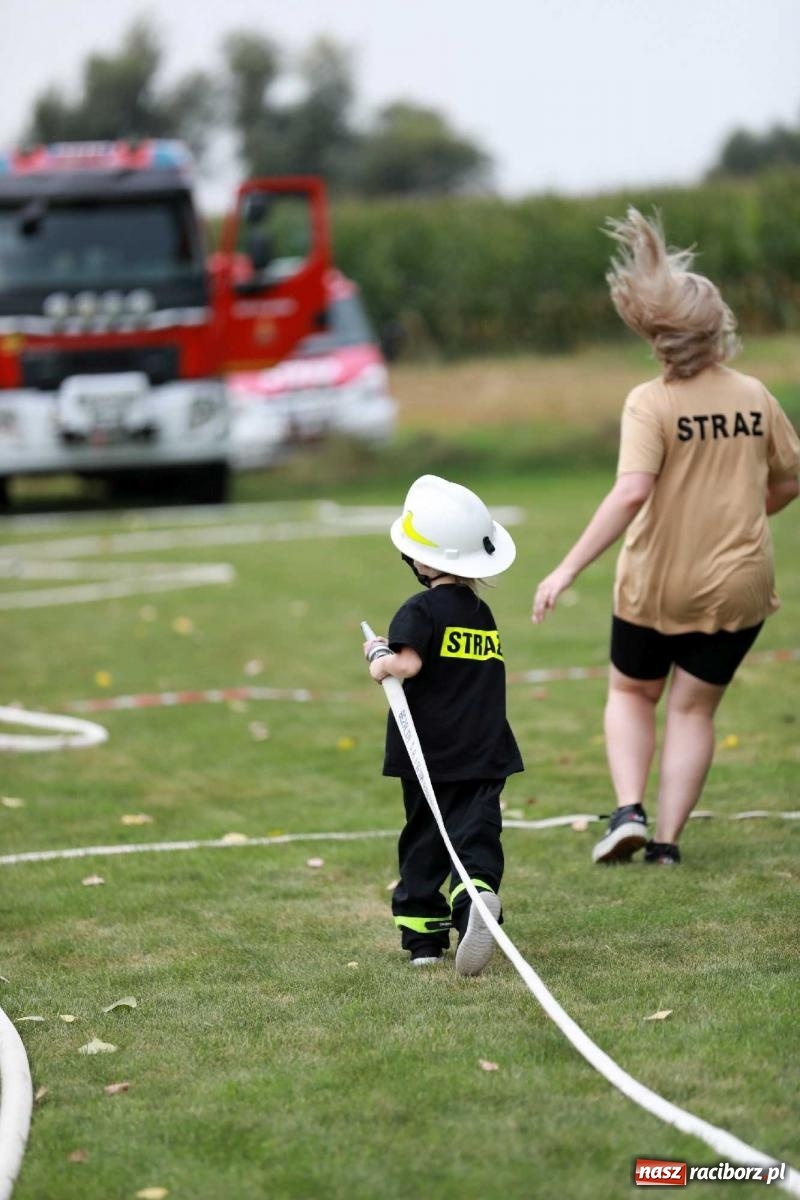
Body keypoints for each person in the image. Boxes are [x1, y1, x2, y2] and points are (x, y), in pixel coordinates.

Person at [532, 208, 800, 866]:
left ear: (657, 335)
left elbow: (631, 491)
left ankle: (628, 810)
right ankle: (668, 844)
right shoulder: (756, 395)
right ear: (716, 331)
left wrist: (564, 569)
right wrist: (741, 520)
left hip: (658, 581)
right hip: (740, 584)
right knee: (693, 711)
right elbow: (791, 480)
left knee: (631, 692)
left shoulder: (650, 402)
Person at [364, 474, 523, 973]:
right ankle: (475, 897)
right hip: (484, 747)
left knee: (426, 837)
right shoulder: (481, 612)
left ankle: (423, 940)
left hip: (430, 752)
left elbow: (407, 666)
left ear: (424, 559)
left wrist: (378, 659)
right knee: (475, 833)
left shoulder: (420, 610)